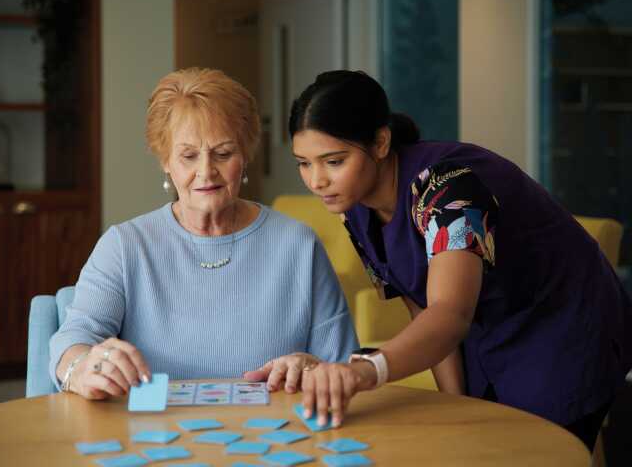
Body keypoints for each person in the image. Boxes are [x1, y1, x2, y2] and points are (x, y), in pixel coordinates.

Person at [245, 70, 632, 449]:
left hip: (564, 323)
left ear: (381, 142)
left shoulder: (449, 188)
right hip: (489, 329)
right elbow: (423, 306)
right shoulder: (356, 209)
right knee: (476, 439)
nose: (316, 181)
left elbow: (448, 314)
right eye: (304, 163)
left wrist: (365, 370)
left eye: (333, 161)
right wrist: (457, 406)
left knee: (534, 450)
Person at [49, 67, 358, 400]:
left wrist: (311, 366)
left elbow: (341, 366)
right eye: (188, 156)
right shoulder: (125, 245)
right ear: (165, 160)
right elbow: (73, 339)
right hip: (152, 438)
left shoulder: (299, 245)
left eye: (223, 154)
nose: (206, 171)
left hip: (276, 435)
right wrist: (81, 367)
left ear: (245, 155)